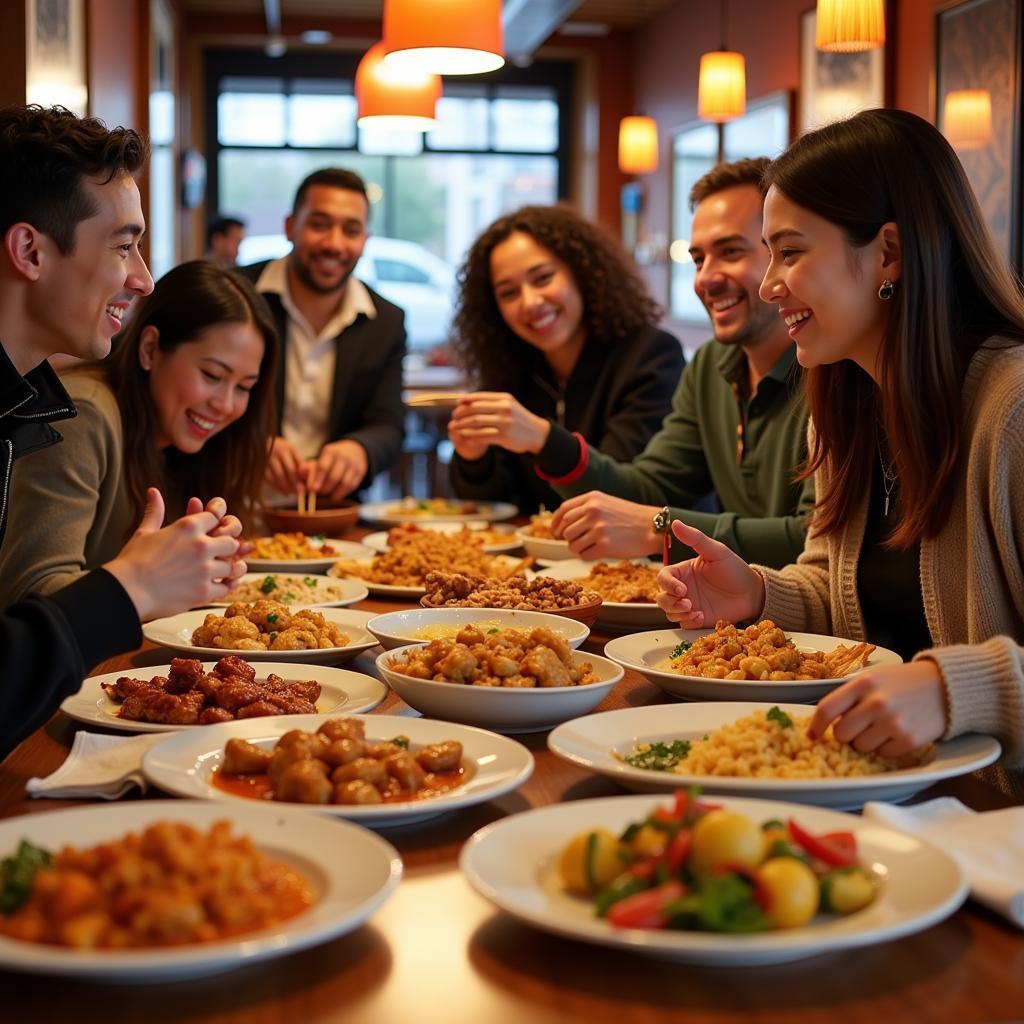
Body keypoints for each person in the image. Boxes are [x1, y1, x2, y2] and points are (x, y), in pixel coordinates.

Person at [656, 109, 1024, 793]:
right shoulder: (848, 402)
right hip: (886, 794)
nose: (768, 284)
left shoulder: (1013, 409)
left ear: (888, 252)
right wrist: (761, 593)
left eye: (789, 253)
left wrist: (954, 691)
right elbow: (841, 597)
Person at [0, 104, 248, 758]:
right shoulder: (74, 408)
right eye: (123, 246)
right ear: (29, 251)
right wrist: (132, 586)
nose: (141, 278)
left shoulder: (21, 407)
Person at [546, 159, 813, 567]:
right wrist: (544, 440)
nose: (705, 278)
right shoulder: (712, 363)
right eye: (698, 259)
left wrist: (661, 526)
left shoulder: (833, 366)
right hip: (733, 619)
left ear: (783, 255)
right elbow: (649, 486)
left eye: (730, 252)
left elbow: (816, 541)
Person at [0, 259, 278, 604]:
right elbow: (30, 596)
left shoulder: (183, 447)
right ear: (150, 349)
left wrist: (208, 565)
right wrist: (150, 580)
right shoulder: (83, 416)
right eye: (212, 375)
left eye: (244, 387)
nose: (225, 405)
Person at [447, 204, 684, 514]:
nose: (530, 302)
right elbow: (494, 511)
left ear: (582, 272)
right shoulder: (511, 370)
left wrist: (542, 438)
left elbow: (627, 492)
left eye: (543, 278)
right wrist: (472, 457)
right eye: (508, 293)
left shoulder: (650, 355)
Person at [240, 168, 406, 504]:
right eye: (319, 225)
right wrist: (253, 442)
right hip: (229, 503)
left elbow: (388, 424)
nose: (334, 243)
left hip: (332, 513)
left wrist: (360, 449)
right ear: (290, 227)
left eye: (351, 230)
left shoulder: (385, 320)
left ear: (365, 241)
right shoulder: (236, 295)